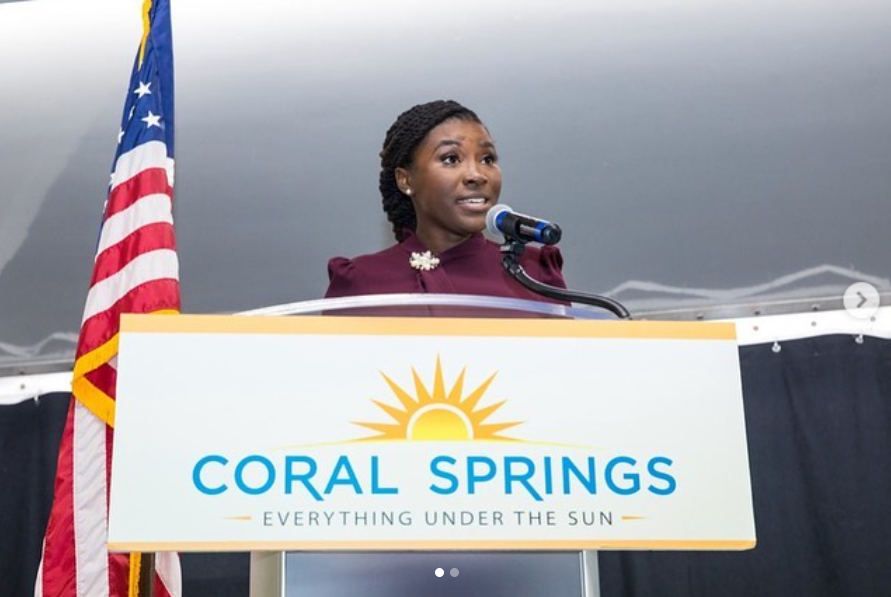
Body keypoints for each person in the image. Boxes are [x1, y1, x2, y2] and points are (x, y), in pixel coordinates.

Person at [325, 99, 566, 301]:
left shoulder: (534, 273)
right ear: (405, 180)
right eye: (451, 159)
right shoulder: (361, 281)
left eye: (487, 159)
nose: (476, 175)